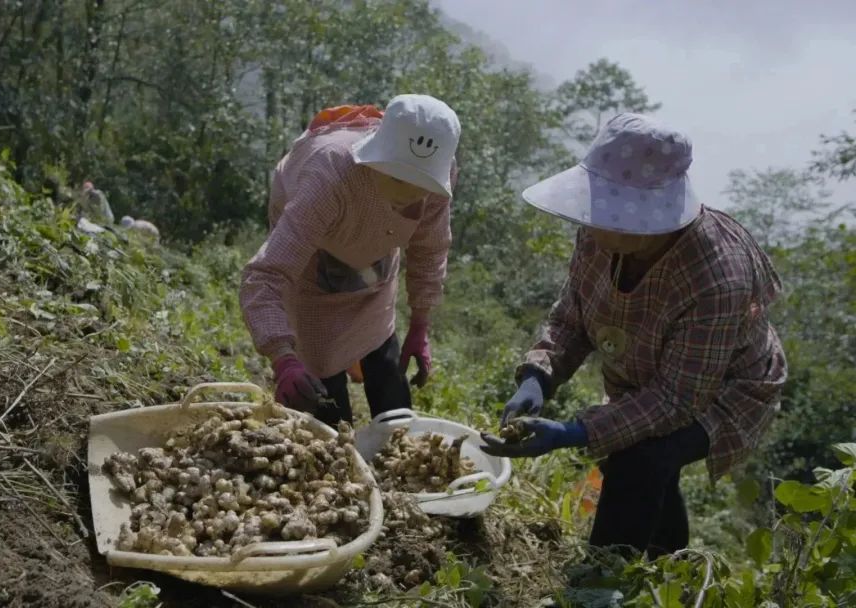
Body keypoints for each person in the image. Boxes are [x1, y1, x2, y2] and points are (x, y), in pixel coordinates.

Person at [480, 113, 787, 559]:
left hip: (727, 386)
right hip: (649, 366)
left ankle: (603, 579)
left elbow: (676, 400)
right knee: (643, 459)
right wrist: (538, 376)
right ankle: (666, 556)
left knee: (637, 459)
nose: (591, 224)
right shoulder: (601, 234)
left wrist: (574, 431)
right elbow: (572, 316)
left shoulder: (718, 278)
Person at [240, 95, 461, 427]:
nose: (408, 194)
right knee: (325, 399)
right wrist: (283, 358)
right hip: (315, 269)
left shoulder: (440, 175)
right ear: (376, 158)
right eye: (398, 178)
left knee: (386, 367)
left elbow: (430, 248)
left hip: (376, 263)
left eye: (420, 185)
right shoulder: (329, 174)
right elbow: (268, 275)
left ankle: (394, 443)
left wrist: (420, 324)